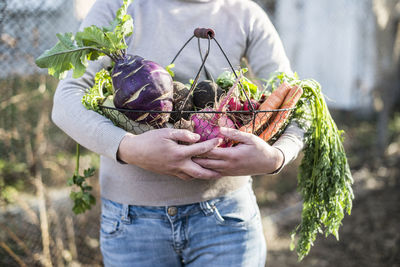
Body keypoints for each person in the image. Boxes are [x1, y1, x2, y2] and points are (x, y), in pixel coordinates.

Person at [52, 0, 304, 266]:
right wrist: (129, 148)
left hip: (226, 218)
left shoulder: (245, 13)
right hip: (132, 223)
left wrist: (276, 157)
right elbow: (66, 102)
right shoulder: (118, 6)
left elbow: (296, 101)